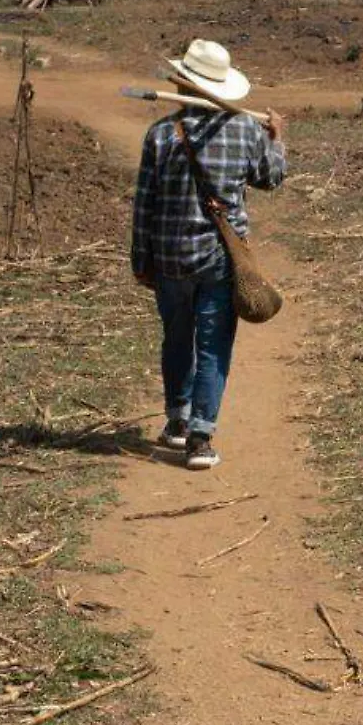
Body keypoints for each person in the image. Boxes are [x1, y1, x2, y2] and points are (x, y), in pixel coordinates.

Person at [131, 38, 287, 471]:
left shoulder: (161, 134)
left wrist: (140, 260)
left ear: (185, 86)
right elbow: (271, 178)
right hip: (221, 257)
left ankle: (177, 420)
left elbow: (144, 204)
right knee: (214, 344)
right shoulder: (246, 131)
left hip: (169, 257)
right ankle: (200, 437)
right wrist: (276, 139)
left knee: (176, 337)